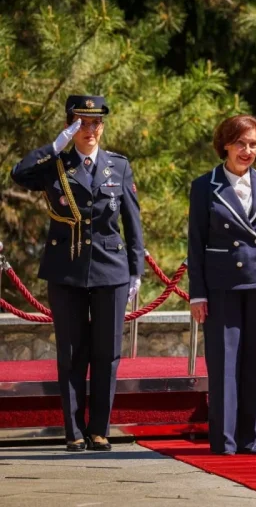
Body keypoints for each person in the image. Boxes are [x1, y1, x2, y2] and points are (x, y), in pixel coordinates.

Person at [11, 95, 144, 452]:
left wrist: (137, 271)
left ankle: (99, 429)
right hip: (66, 270)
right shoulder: (55, 163)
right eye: (81, 123)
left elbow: (132, 222)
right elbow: (19, 173)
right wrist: (55, 144)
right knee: (71, 352)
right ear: (71, 125)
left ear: (103, 125)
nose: (90, 130)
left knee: (106, 352)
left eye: (95, 123)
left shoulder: (118, 165)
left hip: (110, 270)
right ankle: (73, 430)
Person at [187, 114, 256, 455]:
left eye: (253, 145)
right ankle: (224, 442)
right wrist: (197, 293)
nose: (247, 151)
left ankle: (251, 440)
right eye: (241, 144)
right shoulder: (205, 186)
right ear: (226, 145)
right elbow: (196, 242)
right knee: (223, 366)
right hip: (221, 286)